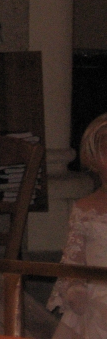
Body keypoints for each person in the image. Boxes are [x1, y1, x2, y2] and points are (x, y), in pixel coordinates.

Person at [47, 113, 107, 339]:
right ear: (93, 158)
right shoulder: (84, 208)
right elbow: (73, 258)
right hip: (95, 300)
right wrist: (75, 287)